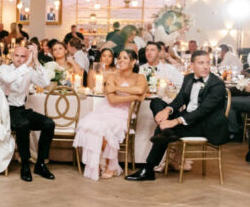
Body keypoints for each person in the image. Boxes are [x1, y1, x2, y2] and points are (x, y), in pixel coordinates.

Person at [126, 50, 229, 181]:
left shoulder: (217, 84)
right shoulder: (188, 78)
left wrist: (175, 121)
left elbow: (203, 111)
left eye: (208, 63)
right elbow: (180, 99)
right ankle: (166, 129)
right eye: (201, 63)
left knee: (163, 129)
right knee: (156, 102)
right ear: (192, 65)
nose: (205, 66)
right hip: (188, 118)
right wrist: (167, 111)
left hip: (205, 124)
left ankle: (148, 169)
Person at [73, 49, 146, 180]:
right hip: (106, 109)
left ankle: (110, 165)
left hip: (123, 113)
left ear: (133, 61)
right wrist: (134, 96)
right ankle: (108, 163)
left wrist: (118, 89)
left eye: (125, 58)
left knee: (104, 128)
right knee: (89, 126)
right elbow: (112, 99)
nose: (121, 61)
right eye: (120, 58)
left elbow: (140, 89)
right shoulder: (112, 76)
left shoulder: (139, 77)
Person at [0, 45, 56, 182]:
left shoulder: (28, 70)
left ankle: (40, 163)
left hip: (22, 109)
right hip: (6, 110)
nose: (19, 59)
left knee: (48, 123)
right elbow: (9, 79)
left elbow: (45, 82)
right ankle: (25, 164)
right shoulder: (4, 69)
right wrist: (27, 65)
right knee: (23, 124)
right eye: (17, 55)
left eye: (23, 56)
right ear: (12, 56)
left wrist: (36, 61)